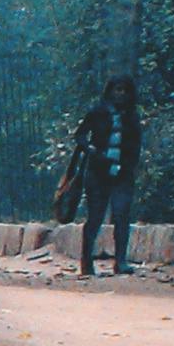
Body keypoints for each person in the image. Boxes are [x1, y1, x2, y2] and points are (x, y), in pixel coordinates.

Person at [68, 76, 144, 274]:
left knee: (121, 215)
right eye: (117, 90)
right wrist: (91, 150)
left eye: (124, 90)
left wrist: (129, 166)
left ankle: (120, 261)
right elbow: (80, 135)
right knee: (95, 217)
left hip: (123, 173)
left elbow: (136, 146)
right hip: (98, 172)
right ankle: (86, 262)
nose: (120, 94)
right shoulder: (97, 113)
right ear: (110, 91)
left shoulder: (132, 117)